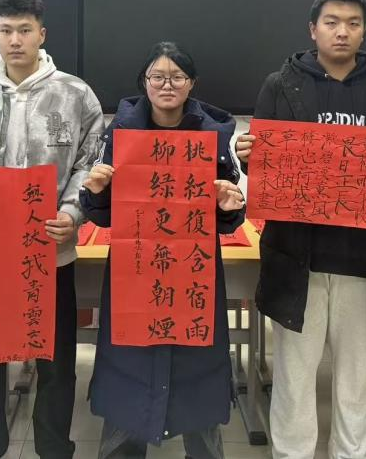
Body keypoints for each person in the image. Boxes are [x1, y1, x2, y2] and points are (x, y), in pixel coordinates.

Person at [235, 0, 366, 459]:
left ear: (364, 31)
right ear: (312, 29)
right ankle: (292, 453)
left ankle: (352, 453)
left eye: (353, 24)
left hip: (365, 257)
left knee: (358, 376)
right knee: (294, 374)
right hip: (299, 256)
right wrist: (247, 155)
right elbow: (264, 167)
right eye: (332, 22)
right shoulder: (281, 85)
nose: (342, 32)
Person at [0, 0, 104, 459]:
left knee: (56, 359)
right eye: (6, 30)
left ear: (41, 34)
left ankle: (53, 448)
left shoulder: (75, 94)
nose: (15, 40)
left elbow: (91, 162)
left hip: (49, 250)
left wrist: (72, 212)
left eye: (25, 30)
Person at [79, 40, 246, 459]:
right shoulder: (119, 133)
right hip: (135, 270)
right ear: (145, 82)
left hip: (195, 272)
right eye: (158, 76)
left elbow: (225, 213)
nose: (167, 84)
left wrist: (229, 206)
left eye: (177, 76)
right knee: (130, 369)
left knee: (197, 368)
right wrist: (95, 192)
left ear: (192, 83)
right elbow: (104, 216)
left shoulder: (214, 135)